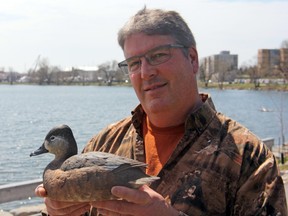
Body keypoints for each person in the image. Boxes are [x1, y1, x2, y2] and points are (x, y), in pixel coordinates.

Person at [35, 7, 287, 216]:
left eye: (158, 55)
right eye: (134, 63)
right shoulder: (104, 143)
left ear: (192, 59)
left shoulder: (250, 157)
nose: (145, 72)